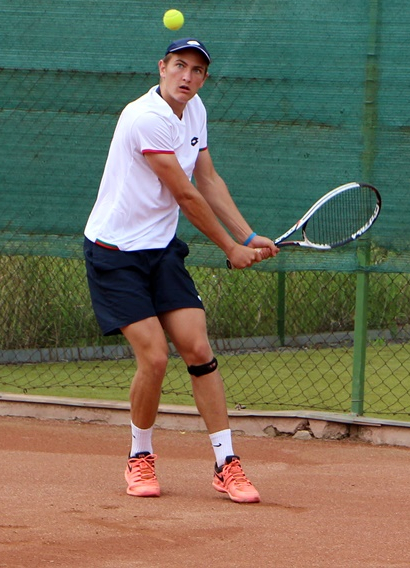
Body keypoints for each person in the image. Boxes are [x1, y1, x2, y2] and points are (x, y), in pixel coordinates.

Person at [83, 37, 278, 503]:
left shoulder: (195, 111)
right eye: (179, 66)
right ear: (162, 68)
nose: (187, 77)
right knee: (154, 358)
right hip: (115, 253)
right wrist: (229, 247)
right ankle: (140, 456)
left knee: (198, 348)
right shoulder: (145, 117)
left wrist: (248, 235)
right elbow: (186, 194)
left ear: (204, 79)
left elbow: (206, 178)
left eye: (197, 70)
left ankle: (226, 464)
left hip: (161, 251)